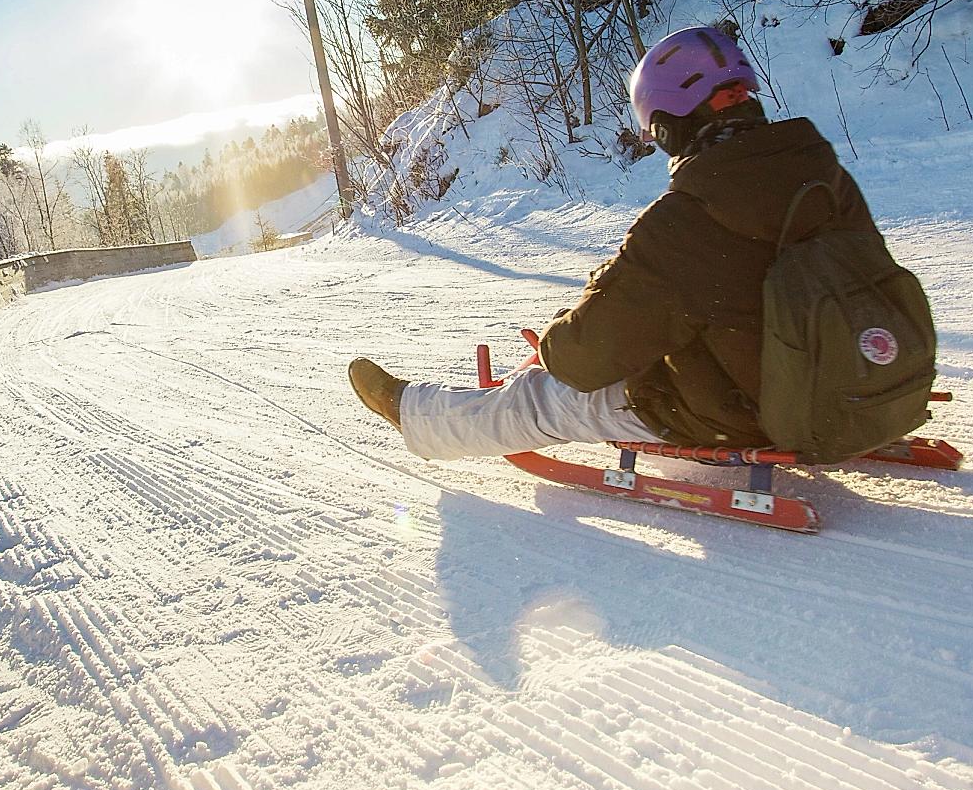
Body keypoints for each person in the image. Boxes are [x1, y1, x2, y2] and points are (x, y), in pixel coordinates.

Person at [349, 23, 891, 462]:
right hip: (862, 379)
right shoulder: (824, 179)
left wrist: (557, 346)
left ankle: (416, 414)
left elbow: (585, 360)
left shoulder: (688, 219)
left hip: (754, 413)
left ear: (672, 124)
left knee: (543, 398)